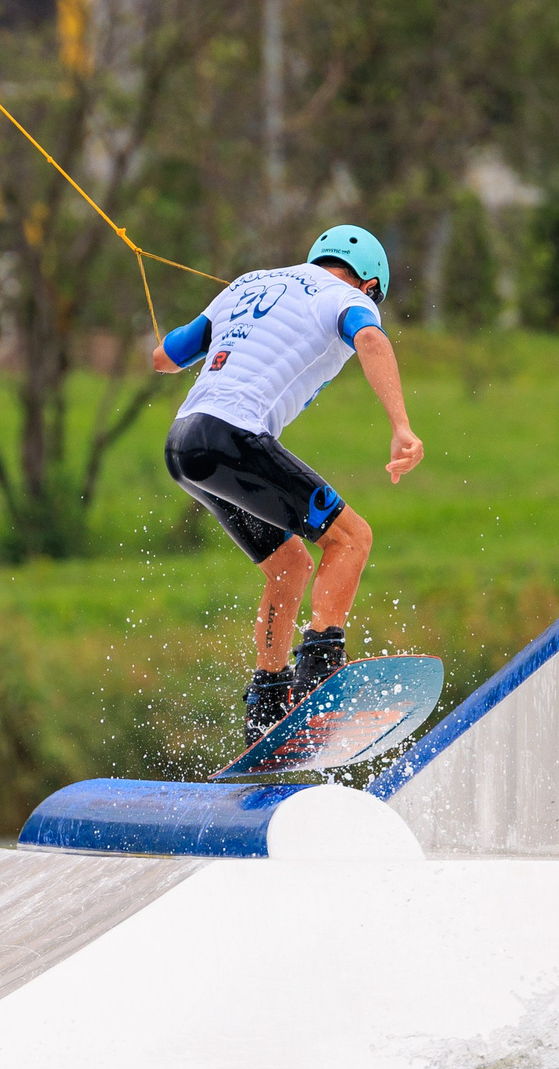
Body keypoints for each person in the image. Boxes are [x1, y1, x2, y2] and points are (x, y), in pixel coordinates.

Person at [152, 225, 426, 745]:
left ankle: (268, 703)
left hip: (185, 445)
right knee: (351, 539)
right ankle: (318, 679)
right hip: (234, 435)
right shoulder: (345, 298)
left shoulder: (248, 282)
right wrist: (401, 426)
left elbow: (166, 357)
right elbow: (369, 338)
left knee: (290, 565)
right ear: (369, 286)